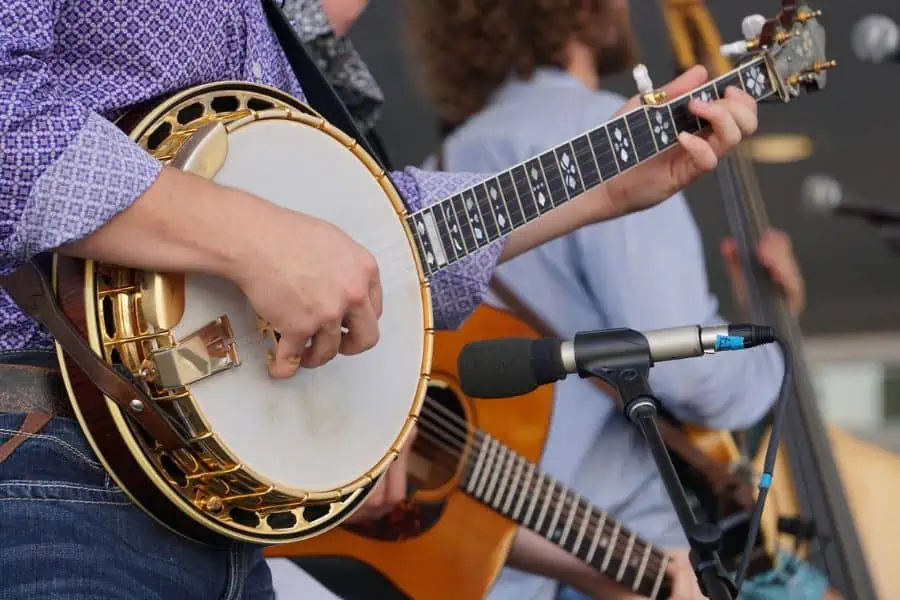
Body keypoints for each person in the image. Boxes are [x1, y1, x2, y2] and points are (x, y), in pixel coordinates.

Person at [0, 0, 758, 598]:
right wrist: (257, 241)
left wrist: (605, 185)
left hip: (210, 516)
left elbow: (370, 236)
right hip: (44, 460)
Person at [402, 0, 806, 599]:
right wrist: (771, 347)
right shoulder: (605, 137)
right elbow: (686, 371)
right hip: (623, 553)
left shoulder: (439, 169)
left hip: (480, 554)